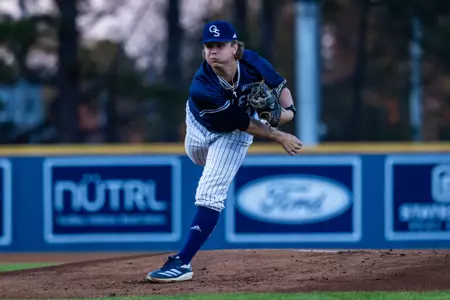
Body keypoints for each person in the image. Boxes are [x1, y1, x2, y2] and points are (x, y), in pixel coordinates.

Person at [146, 20, 302, 283]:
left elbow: (280, 88)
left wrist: (288, 113)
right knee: (196, 158)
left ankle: (182, 262)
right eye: (208, 46)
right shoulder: (201, 87)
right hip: (199, 127)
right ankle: (217, 171)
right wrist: (279, 135)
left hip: (235, 136)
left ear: (234, 47)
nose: (212, 52)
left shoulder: (252, 62)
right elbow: (243, 120)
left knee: (209, 193)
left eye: (219, 45)